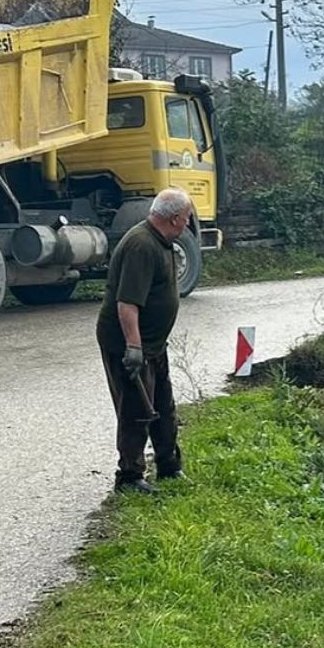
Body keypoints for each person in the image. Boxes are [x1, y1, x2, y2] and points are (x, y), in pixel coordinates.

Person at [96, 188, 193, 494]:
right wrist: (134, 348)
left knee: (163, 403)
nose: (188, 224)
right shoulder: (141, 245)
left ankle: (168, 465)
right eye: (188, 218)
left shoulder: (162, 242)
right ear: (175, 218)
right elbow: (126, 303)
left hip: (152, 343)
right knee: (136, 408)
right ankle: (129, 476)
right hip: (128, 343)